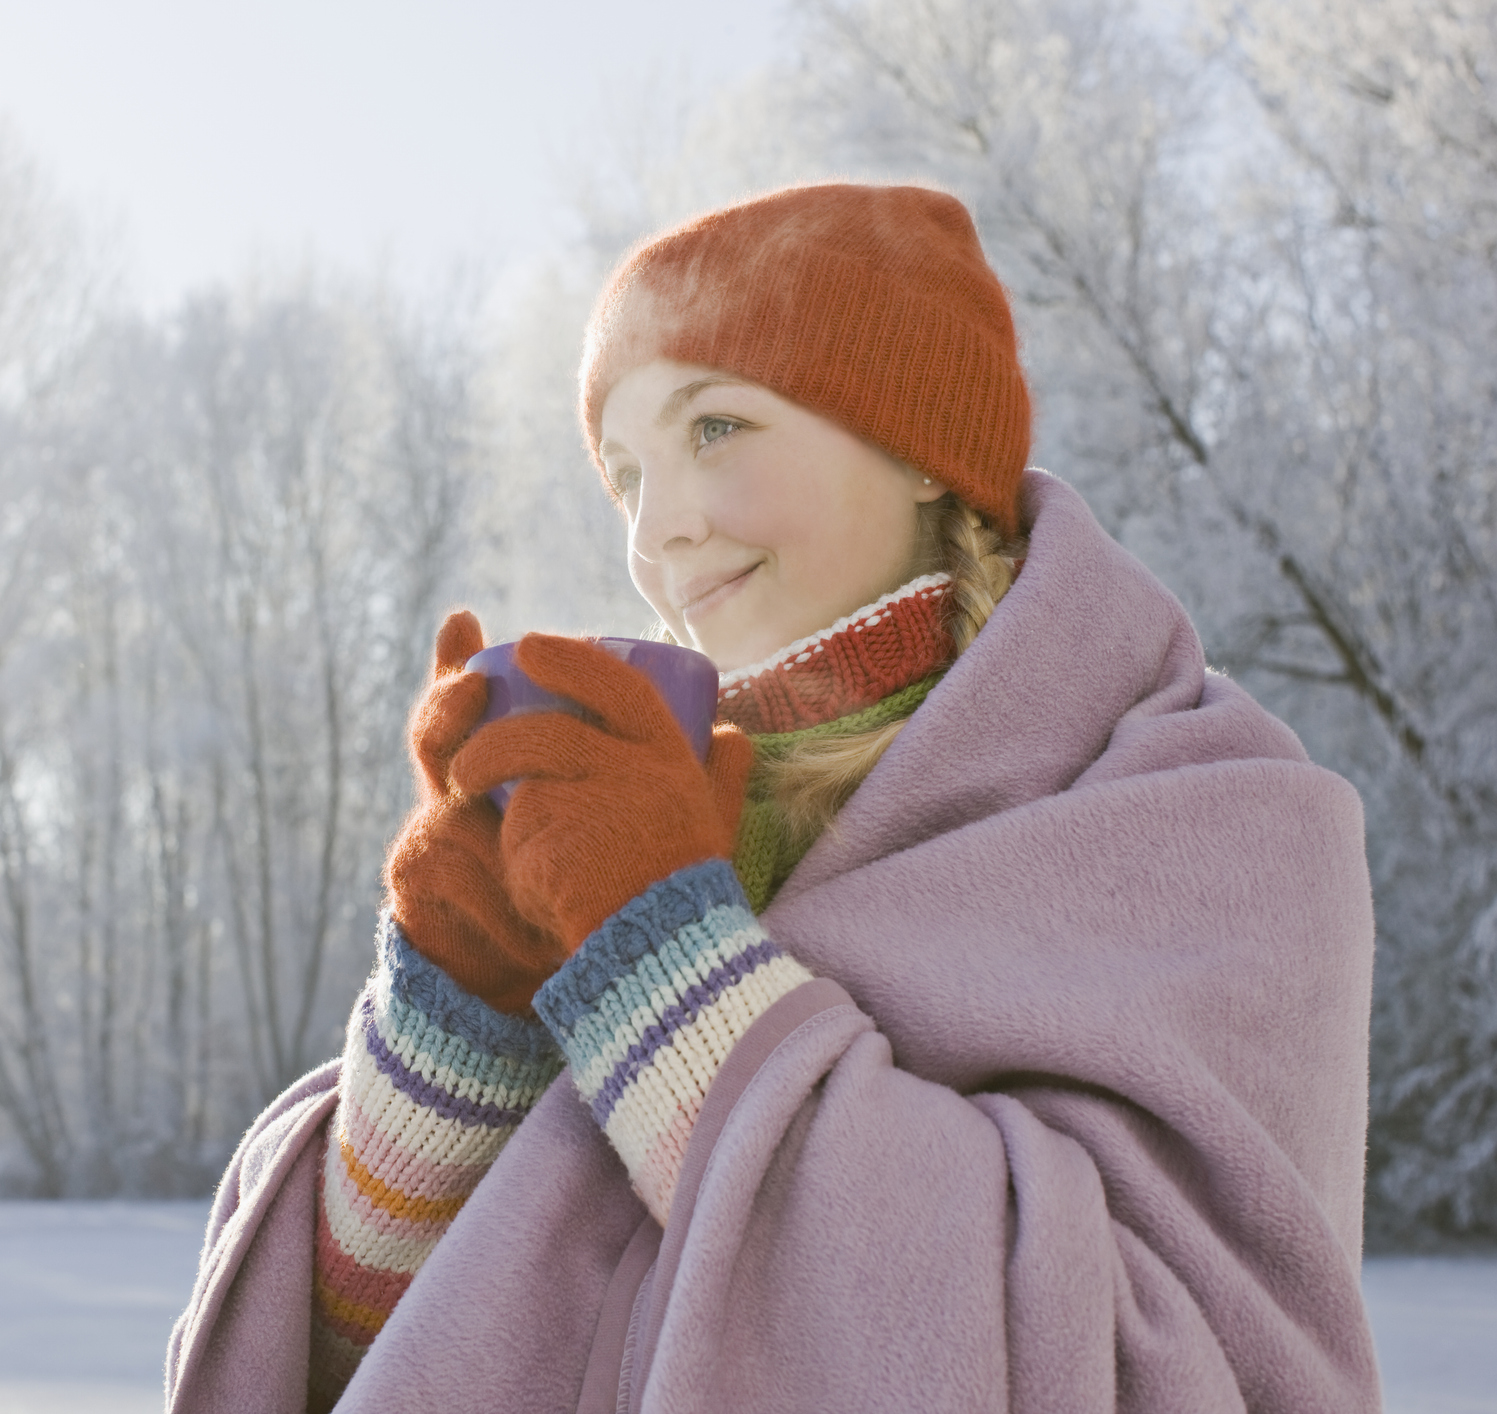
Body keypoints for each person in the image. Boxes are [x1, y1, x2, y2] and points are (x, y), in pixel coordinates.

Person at [165, 184, 1383, 1413]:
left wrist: (666, 967)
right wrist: (453, 1021)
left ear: (916, 446)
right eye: (625, 472)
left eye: (715, 429)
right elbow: (351, 1355)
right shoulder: (659, 809)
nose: (659, 534)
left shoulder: (1217, 823)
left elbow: (1145, 1373)